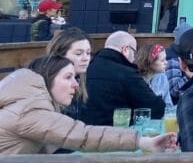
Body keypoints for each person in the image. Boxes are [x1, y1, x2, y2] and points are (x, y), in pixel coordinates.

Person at [0, 55, 176, 154]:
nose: (76, 85)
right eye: (68, 77)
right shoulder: (29, 110)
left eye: (75, 78)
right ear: (48, 78)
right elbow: (83, 136)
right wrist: (141, 141)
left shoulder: (25, 102)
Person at [83, 30, 165, 125]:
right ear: (125, 49)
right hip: (117, 135)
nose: (134, 58)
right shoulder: (127, 73)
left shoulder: (86, 69)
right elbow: (156, 108)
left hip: (85, 133)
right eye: (134, 52)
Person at [45, 27, 91, 121]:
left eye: (88, 53)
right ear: (60, 55)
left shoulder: (81, 79)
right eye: (78, 54)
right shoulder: (50, 82)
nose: (86, 58)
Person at [136, 43, 174, 110]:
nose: (166, 62)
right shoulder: (136, 78)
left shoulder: (163, 77)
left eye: (165, 59)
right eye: (162, 60)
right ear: (150, 62)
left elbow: (168, 105)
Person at [166, 21, 192, 104]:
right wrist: (190, 75)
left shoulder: (184, 54)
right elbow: (174, 91)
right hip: (175, 108)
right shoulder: (171, 57)